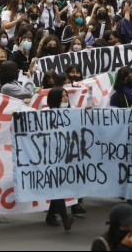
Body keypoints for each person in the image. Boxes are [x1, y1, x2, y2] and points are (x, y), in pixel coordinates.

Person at [44, 87, 76, 231]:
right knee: (57, 186)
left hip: (67, 156)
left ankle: (51, 215)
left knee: (58, 185)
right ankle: (65, 218)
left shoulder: (72, 111)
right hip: (50, 156)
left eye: (66, 96)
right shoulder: (45, 114)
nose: (65, 99)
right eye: (62, 96)